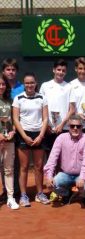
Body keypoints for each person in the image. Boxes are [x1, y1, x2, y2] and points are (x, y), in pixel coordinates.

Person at [12, 72, 49, 207]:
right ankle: (23, 195)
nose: (29, 85)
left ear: (36, 83)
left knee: (39, 167)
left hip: (39, 134)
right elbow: (16, 119)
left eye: (32, 83)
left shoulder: (42, 98)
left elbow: (45, 118)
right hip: (24, 134)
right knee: (24, 167)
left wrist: (40, 135)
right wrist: (24, 136)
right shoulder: (18, 98)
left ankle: (40, 194)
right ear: (24, 84)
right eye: (27, 83)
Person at [44, 115, 85, 206]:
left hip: (80, 175)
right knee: (53, 184)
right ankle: (67, 193)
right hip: (65, 174)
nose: (75, 128)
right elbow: (52, 158)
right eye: (72, 126)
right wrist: (49, 176)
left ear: (82, 127)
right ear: (68, 127)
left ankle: (83, 196)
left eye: (78, 126)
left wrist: (82, 178)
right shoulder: (61, 138)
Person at [0, 58, 23, 202]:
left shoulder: (22, 87)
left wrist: (14, 130)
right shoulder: (2, 87)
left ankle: (15, 191)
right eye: (8, 69)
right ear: (3, 71)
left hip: (16, 131)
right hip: (2, 133)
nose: (11, 72)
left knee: (14, 163)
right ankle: (5, 191)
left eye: (13, 69)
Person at [40, 59, 72, 151]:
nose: (61, 72)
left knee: (63, 158)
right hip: (48, 129)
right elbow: (41, 107)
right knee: (48, 157)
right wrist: (46, 125)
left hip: (63, 129)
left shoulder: (69, 87)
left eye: (63, 71)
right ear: (54, 70)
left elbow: (72, 109)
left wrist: (62, 125)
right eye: (58, 70)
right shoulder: (45, 86)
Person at [0, 73, 19, 209]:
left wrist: (13, 131)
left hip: (9, 140)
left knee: (9, 169)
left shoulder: (10, 100)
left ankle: (10, 198)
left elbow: (13, 119)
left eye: (3, 84)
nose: (1, 86)